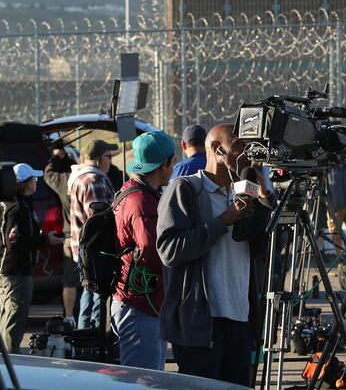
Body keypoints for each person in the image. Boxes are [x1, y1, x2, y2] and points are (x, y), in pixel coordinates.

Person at [157, 124, 271, 386]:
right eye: (239, 146)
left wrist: (264, 197)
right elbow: (169, 250)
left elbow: (271, 246)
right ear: (218, 149)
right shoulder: (186, 189)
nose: (246, 155)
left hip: (241, 320)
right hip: (202, 325)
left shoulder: (244, 190)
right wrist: (224, 220)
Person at [111, 130, 175, 370]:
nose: (173, 166)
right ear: (162, 166)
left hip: (134, 302)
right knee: (144, 381)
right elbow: (153, 251)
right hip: (139, 306)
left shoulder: (130, 190)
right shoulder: (142, 201)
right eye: (172, 161)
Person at [0, 163, 62, 353]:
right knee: (15, 316)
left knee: (7, 314)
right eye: (33, 180)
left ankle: (7, 353)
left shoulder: (3, 204)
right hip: (15, 271)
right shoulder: (18, 208)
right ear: (24, 184)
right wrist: (46, 239)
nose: (35, 183)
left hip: (1, 269)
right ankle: (11, 357)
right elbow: (17, 242)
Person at [68, 139, 118, 329]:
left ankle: (84, 342)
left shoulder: (82, 177)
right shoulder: (94, 181)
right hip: (96, 252)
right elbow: (100, 221)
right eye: (107, 156)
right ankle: (92, 347)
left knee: (88, 299)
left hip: (86, 251)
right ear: (98, 160)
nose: (110, 161)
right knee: (97, 303)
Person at [44, 144, 81, 326]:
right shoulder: (90, 179)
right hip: (89, 237)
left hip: (69, 236)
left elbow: (48, 174)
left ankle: (69, 316)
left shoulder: (64, 181)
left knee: (70, 280)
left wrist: (56, 157)